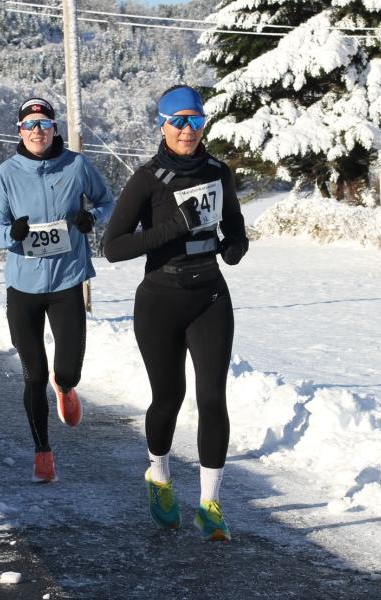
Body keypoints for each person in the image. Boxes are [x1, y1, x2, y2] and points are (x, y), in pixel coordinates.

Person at [103, 85, 249, 541]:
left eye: (196, 120)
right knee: (169, 398)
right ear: (162, 125)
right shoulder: (146, 178)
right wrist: (172, 227)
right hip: (159, 300)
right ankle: (160, 477)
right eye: (178, 121)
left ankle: (211, 504)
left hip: (209, 297)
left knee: (212, 399)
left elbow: (237, 231)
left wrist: (234, 247)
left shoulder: (218, 172)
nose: (188, 130)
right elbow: (113, 247)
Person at [0, 97, 115, 483]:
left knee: (66, 370)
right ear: (20, 132)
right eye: (30, 126)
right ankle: (43, 451)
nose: (38, 132)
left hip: (67, 281)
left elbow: (109, 202)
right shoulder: (7, 173)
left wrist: (91, 217)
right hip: (23, 287)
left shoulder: (76, 165)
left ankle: (67, 387)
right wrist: (13, 234)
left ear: (54, 128)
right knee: (33, 374)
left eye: (44, 124)